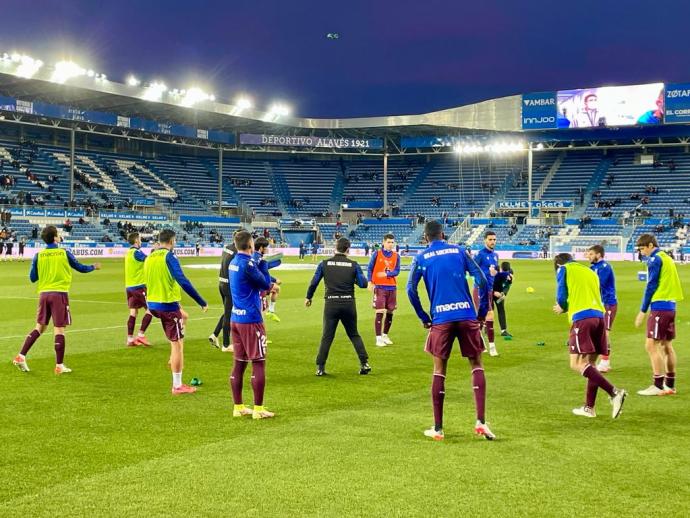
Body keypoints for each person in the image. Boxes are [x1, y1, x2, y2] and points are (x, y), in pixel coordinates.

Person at [407, 221, 495, 441]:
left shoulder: (421, 258)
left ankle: (438, 428)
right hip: (466, 315)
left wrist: (423, 316)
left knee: (439, 369)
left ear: (426, 238)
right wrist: (482, 311)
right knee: (476, 364)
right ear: (443, 234)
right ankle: (481, 422)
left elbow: (410, 289)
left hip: (441, 318)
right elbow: (482, 280)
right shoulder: (459, 251)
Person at [12, 225, 101, 374]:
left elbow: (32, 278)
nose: (59, 236)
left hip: (43, 294)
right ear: (54, 238)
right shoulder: (64, 253)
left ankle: (21, 356)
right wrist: (94, 266)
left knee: (39, 327)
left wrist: (46, 271)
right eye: (58, 234)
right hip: (59, 294)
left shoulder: (38, 255)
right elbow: (80, 268)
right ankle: (59, 365)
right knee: (59, 329)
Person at [553, 253, 627, 419]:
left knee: (575, 363)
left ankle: (614, 392)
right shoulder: (590, 271)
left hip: (582, 318)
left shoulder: (563, 269)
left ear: (558, 264)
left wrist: (562, 307)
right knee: (591, 363)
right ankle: (589, 408)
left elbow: (561, 297)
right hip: (599, 317)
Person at [144, 229, 208, 395]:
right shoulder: (169, 257)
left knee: (184, 318)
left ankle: (173, 359)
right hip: (167, 306)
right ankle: (177, 385)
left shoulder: (149, 256)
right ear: (172, 241)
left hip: (152, 304)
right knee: (177, 344)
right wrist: (201, 301)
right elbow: (182, 280)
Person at [305, 237, 371, 376]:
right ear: (348, 249)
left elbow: (314, 283)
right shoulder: (353, 265)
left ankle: (320, 368)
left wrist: (309, 297)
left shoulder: (324, 264)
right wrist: (352, 279)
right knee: (354, 334)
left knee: (327, 336)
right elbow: (363, 284)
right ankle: (364, 363)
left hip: (331, 303)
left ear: (336, 247)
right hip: (348, 303)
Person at [228, 230, 275, 419]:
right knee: (258, 362)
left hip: (236, 318)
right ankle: (258, 408)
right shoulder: (248, 264)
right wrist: (263, 263)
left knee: (239, 364)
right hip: (251, 320)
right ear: (250, 245)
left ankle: (238, 406)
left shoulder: (233, 262)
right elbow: (265, 284)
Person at [634, 234, 684, 396]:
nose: (642, 252)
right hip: (670, 305)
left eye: (642, 249)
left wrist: (642, 310)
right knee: (666, 346)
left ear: (650, 245)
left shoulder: (655, 260)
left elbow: (651, 286)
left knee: (651, 345)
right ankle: (670, 384)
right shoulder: (666, 257)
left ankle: (658, 384)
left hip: (660, 306)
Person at [587, 245, 617, 373]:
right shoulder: (593, 268)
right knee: (598, 331)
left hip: (608, 304)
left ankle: (605, 362)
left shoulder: (604, 267)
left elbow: (599, 285)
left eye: (591, 254)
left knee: (605, 332)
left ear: (598, 255)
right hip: (598, 304)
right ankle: (593, 358)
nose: (588, 256)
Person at [367, 233, 400, 347]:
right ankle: (378, 338)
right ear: (383, 242)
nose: (390, 244)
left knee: (390, 312)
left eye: (392, 242)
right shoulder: (377, 254)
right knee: (379, 311)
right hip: (380, 287)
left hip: (392, 287)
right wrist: (369, 281)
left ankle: (385, 335)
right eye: (388, 242)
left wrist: (386, 274)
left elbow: (397, 271)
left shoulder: (396, 255)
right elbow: (370, 268)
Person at [124, 232, 154, 347]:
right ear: (136, 240)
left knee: (133, 312)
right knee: (151, 309)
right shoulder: (137, 252)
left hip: (129, 287)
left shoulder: (128, 253)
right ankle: (141, 335)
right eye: (140, 239)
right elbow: (148, 260)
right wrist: (154, 253)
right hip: (139, 286)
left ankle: (130, 339)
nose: (141, 241)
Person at [474, 231, 500, 356]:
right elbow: (471, 269)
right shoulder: (480, 255)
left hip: (489, 290)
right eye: (490, 239)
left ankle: (480, 342)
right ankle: (492, 347)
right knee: (489, 315)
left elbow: (494, 272)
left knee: (482, 318)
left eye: (494, 239)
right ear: (485, 240)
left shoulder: (495, 255)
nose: (493, 242)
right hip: (480, 289)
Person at [209, 241, 237, 352]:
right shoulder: (236, 251)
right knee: (228, 314)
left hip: (221, 283)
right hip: (229, 285)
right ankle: (226, 345)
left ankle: (215, 334)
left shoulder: (227, 248)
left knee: (227, 311)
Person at [253, 237, 282, 322]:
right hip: (260, 287)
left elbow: (264, 271)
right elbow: (258, 272)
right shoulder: (256, 258)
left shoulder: (259, 257)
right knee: (262, 311)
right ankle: (260, 333)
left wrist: (274, 279)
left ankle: (271, 311)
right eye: (266, 247)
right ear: (261, 247)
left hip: (265, 284)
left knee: (276, 289)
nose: (267, 249)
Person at [493, 262, 513, 339]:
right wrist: (493, 292)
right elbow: (487, 284)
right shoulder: (494, 272)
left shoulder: (509, 274)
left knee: (501, 310)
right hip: (490, 292)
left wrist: (504, 293)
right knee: (489, 310)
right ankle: (486, 327)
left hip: (499, 294)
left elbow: (508, 285)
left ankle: (503, 330)